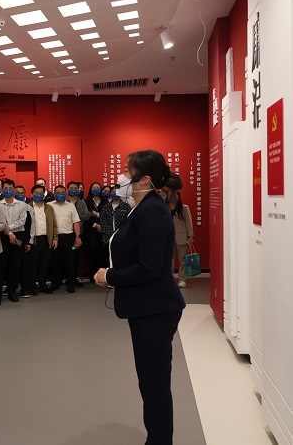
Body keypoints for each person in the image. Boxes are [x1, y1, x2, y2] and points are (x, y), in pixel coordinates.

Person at [95, 150, 186, 445]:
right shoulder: (142, 207)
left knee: (154, 384)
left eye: (126, 170)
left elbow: (149, 267)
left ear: (144, 179)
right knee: (150, 381)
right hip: (146, 307)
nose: (121, 175)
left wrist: (110, 276)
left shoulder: (153, 210)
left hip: (155, 309)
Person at [0, 179, 28, 302]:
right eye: (6, 188)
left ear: (14, 190)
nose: (8, 190)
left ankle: (12, 291)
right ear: (2, 190)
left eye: (10, 188)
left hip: (18, 237)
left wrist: (9, 229)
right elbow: (0, 222)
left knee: (15, 265)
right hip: (3, 237)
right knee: (2, 265)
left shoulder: (21, 205)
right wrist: (10, 233)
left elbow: (22, 222)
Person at [49, 185, 82, 293]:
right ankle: (55, 283)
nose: (60, 194)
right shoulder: (49, 206)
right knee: (55, 261)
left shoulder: (70, 206)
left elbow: (76, 222)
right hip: (54, 238)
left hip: (68, 237)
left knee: (70, 261)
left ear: (65, 193)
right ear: (54, 194)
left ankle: (70, 283)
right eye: (58, 193)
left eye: (62, 192)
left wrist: (78, 237)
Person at [28, 184, 57, 295]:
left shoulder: (49, 208)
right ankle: (32, 286)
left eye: (41, 193)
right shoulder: (28, 207)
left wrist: (55, 238)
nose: (39, 195)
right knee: (33, 265)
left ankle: (43, 285)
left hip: (47, 239)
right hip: (34, 240)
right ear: (32, 194)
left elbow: (54, 224)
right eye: (36, 193)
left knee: (44, 264)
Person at [98, 186, 132, 268]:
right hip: (107, 238)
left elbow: (128, 222)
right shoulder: (106, 207)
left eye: (117, 192)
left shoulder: (126, 206)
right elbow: (103, 222)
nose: (115, 194)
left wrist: (118, 234)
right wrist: (112, 234)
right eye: (113, 192)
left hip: (121, 239)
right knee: (104, 260)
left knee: (120, 261)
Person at [168, 190, 194, 288]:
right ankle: (170, 277)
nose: (173, 198)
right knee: (169, 259)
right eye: (171, 196)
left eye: (175, 196)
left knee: (182, 259)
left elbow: (189, 222)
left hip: (182, 236)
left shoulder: (184, 208)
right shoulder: (166, 207)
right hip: (169, 237)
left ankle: (182, 279)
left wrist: (191, 236)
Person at [84, 182, 108, 284]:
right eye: (94, 188)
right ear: (90, 190)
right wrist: (95, 225)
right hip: (91, 231)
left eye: (98, 188)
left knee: (103, 254)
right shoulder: (87, 202)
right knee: (92, 253)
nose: (96, 189)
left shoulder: (105, 201)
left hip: (104, 231)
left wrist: (97, 216)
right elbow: (85, 217)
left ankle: (101, 276)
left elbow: (107, 215)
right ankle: (92, 276)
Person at [67, 181, 90, 287]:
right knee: (67, 257)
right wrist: (75, 219)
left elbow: (87, 216)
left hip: (79, 233)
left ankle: (74, 278)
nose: (73, 190)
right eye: (71, 188)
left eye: (75, 188)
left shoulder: (82, 202)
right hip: (67, 233)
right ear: (67, 190)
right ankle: (66, 279)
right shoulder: (64, 201)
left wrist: (75, 219)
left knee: (76, 257)